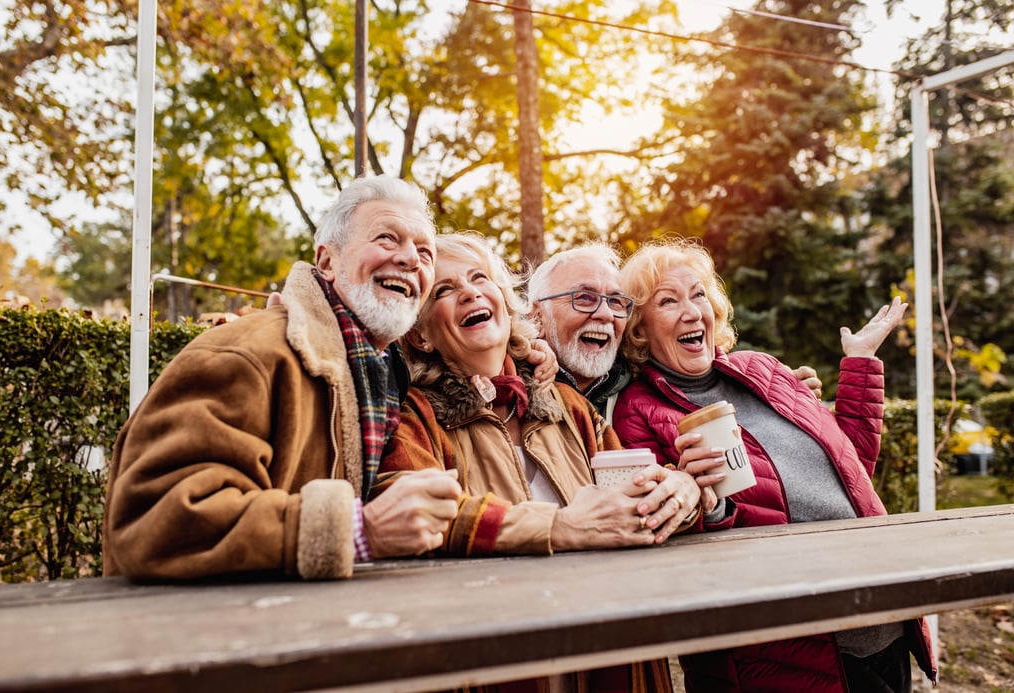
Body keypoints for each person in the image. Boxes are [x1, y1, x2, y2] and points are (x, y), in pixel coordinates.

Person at [375, 232, 701, 692]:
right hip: (495, 672)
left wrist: (680, 491)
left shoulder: (568, 404)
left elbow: (633, 489)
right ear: (421, 335)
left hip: (613, 663)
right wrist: (558, 526)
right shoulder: (414, 416)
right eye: (444, 290)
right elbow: (417, 515)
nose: (469, 292)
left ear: (506, 306)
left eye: (479, 278)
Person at [610, 237, 936, 692]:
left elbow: (853, 465)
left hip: (880, 624)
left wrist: (860, 362)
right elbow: (660, 539)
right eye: (668, 300)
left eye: (698, 294)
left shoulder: (762, 369)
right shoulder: (638, 410)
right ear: (640, 328)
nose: (691, 311)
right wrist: (711, 506)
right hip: (788, 653)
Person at [104, 175, 465, 581]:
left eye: (424, 252)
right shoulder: (244, 354)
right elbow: (156, 521)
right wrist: (361, 531)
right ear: (327, 262)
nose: (411, 259)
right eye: (386, 238)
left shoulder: (380, 375)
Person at [526, 242, 823, 521]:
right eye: (584, 298)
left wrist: (790, 399)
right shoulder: (513, 384)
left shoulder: (626, 383)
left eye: (616, 302)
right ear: (536, 315)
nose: (604, 313)